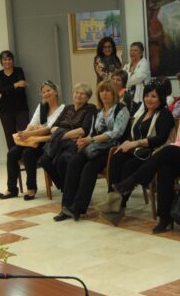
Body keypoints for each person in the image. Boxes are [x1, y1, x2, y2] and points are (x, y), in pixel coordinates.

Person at [109, 80, 180, 233]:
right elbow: (178, 141)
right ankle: (165, 218)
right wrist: (173, 149)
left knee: (167, 151)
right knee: (164, 166)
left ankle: (131, 181)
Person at [55, 80, 130, 221]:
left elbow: (116, 133)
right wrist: (84, 140)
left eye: (108, 91)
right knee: (73, 162)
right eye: (102, 91)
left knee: (89, 168)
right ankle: (66, 207)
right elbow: (92, 132)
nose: (104, 94)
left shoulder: (121, 109)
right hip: (94, 147)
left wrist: (92, 140)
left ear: (114, 93)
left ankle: (78, 208)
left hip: (111, 150)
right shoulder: (99, 111)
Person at [104, 79, 175, 215]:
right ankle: (111, 199)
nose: (149, 99)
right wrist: (127, 142)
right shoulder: (142, 113)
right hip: (138, 150)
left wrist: (136, 143)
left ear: (161, 98)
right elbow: (135, 134)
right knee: (116, 157)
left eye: (153, 96)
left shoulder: (165, 114)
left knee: (128, 166)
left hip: (153, 153)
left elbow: (160, 139)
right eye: (147, 95)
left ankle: (119, 203)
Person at [0, 81, 64, 200]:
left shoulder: (62, 109)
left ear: (56, 92)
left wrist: (28, 133)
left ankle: (31, 188)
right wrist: (25, 134)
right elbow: (33, 123)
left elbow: (49, 129)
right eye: (43, 92)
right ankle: (12, 189)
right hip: (33, 139)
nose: (46, 94)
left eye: (49, 90)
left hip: (46, 143)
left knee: (28, 153)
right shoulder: (42, 106)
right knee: (12, 153)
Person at [39, 83, 96, 190]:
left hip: (74, 144)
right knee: (44, 160)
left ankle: (69, 189)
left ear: (88, 97)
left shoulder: (90, 108)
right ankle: (64, 187)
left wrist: (60, 134)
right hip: (59, 143)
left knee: (62, 160)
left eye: (82, 94)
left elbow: (83, 130)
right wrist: (66, 134)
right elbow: (53, 127)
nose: (78, 95)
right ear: (73, 94)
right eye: (77, 92)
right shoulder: (68, 108)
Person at [0, 50, 29, 150]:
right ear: (1, 61)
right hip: (4, 109)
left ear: (12, 60)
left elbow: (21, 90)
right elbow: (0, 89)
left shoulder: (19, 71)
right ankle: (14, 159)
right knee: (9, 135)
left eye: (9, 59)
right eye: (4, 59)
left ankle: (25, 157)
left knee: (23, 133)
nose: (7, 62)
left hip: (21, 107)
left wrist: (7, 90)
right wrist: (16, 84)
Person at [125, 41, 150, 109]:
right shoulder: (127, 66)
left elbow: (137, 78)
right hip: (128, 97)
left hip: (140, 98)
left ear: (141, 53)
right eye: (131, 50)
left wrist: (125, 82)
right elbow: (121, 78)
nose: (132, 52)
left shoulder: (144, 64)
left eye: (135, 50)